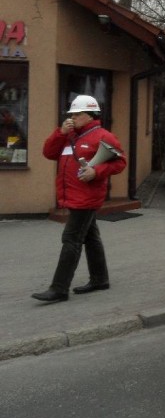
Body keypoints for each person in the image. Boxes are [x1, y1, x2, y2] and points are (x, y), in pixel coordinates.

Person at [32, 95, 126, 303]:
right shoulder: (70, 135)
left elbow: (120, 163)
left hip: (87, 198)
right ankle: (100, 279)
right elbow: (49, 153)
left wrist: (96, 171)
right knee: (91, 238)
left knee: (71, 239)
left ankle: (59, 288)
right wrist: (60, 133)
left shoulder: (104, 136)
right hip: (73, 195)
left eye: (77, 114)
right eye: (71, 114)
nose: (73, 118)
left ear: (90, 115)